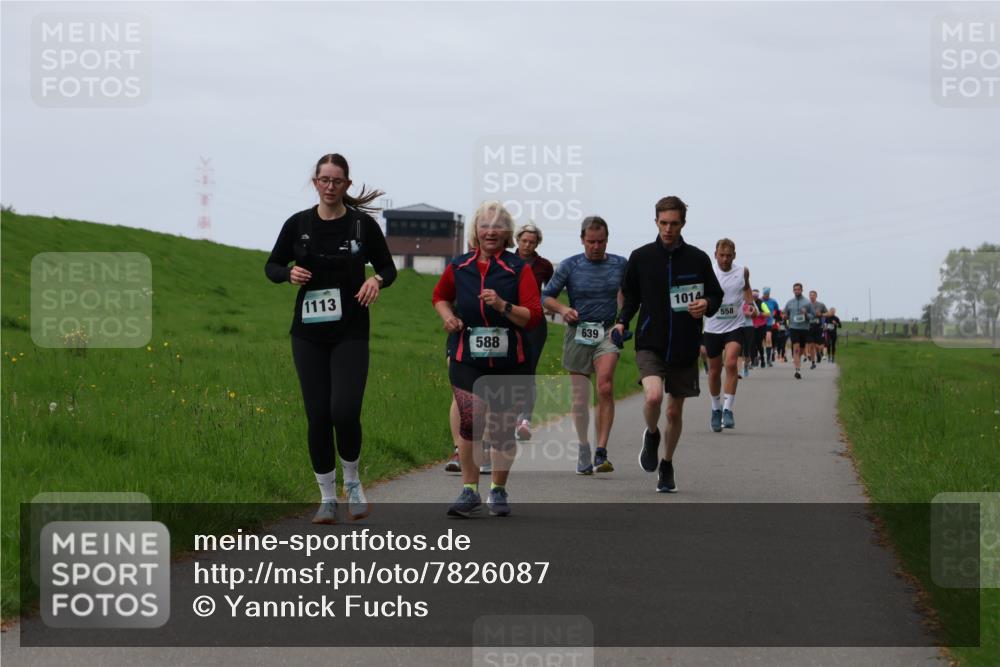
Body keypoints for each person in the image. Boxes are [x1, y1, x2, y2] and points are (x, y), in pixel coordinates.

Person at [265, 152, 397, 525]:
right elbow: (271, 266)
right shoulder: (298, 224)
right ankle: (326, 496)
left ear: (347, 185)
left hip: (351, 331)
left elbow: (388, 267)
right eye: (324, 180)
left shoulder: (361, 226)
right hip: (308, 334)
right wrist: (287, 274)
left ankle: (352, 483)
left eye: (336, 181)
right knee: (318, 415)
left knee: (344, 410)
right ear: (315, 183)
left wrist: (376, 280)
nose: (329, 186)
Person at [432, 201, 543, 517]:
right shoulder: (459, 266)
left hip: (510, 360)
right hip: (467, 356)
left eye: (497, 226)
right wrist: (448, 317)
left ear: (507, 233)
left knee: (502, 429)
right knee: (470, 419)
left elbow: (533, 316)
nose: (490, 231)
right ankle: (469, 490)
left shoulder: (518, 269)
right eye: (484, 225)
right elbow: (439, 296)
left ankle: (498, 489)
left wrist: (503, 306)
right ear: (475, 231)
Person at [615, 196, 723, 493]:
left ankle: (667, 463)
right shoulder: (641, 256)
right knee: (652, 398)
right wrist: (623, 321)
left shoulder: (698, 259)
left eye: (674, 223)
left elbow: (715, 295)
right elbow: (630, 296)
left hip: (686, 345)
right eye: (663, 223)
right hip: (650, 341)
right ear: (656, 222)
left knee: (674, 413)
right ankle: (651, 434)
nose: (668, 229)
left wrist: (706, 303)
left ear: (683, 224)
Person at [542, 216, 627, 475]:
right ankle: (583, 446)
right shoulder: (570, 265)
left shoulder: (620, 264)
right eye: (591, 242)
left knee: (605, 385)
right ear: (582, 240)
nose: (596, 246)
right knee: (580, 399)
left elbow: (628, 294)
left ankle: (601, 452)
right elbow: (546, 296)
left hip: (606, 332)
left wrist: (622, 321)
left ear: (607, 240)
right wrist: (563, 309)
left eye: (600, 241)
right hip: (578, 332)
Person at [702, 238, 752, 432]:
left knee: (731, 363)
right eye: (721, 255)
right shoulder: (708, 272)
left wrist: (750, 304)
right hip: (713, 327)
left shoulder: (742, 271)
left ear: (734, 256)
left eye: (728, 256)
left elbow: (746, 287)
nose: (724, 259)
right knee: (714, 371)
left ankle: (727, 410)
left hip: (735, 325)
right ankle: (715, 410)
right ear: (715, 255)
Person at [514, 222, 554, 441]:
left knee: (528, 371)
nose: (527, 245)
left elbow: (551, 290)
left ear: (537, 243)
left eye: (532, 242)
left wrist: (547, 305)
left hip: (535, 325)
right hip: (510, 322)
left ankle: (525, 420)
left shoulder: (544, 265)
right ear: (517, 241)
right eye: (524, 241)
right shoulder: (506, 261)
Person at [783, 283, 814, 380]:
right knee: (796, 349)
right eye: (795, 289)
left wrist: (806, 314)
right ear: (793, 291)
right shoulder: (789, 302)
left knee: (801, 350)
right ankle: (797, 370)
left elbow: (812, 316)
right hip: (793, 328)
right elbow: (785, 314)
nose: (797, 291)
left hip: (804, 329)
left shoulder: (807, 302)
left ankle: (798, 360)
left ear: (802, 290)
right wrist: (785, 316)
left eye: (798, 289)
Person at [807, 290, 829, 368]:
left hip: (818, 327)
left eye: (813, 295)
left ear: (816, 296)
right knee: (811, 345)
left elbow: (828, 313)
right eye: (810, 295)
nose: (812, 296)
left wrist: (821, 314)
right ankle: (813, 362)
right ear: (809, 296)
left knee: (817, 346)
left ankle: (818, 354)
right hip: (809, 327)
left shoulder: (821, 305)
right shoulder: (806, 305)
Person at [760, 287, 780, 366]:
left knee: (768, 339)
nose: (766, 296)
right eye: (765, 294)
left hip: (769, 323)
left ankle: (768, 359)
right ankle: (760, 357)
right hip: (759, 323)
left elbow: (778, 311)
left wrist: (776, 319)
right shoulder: (759, 301)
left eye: (767, 294)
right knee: (759, 342)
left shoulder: (773, 301)